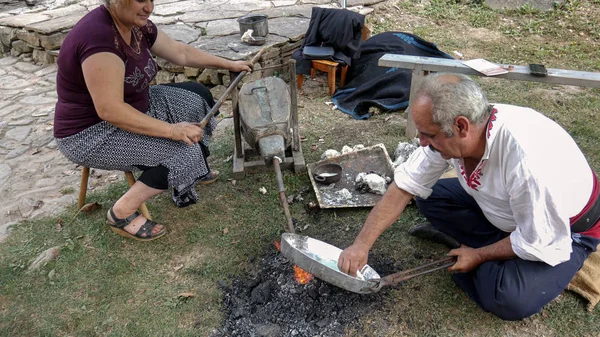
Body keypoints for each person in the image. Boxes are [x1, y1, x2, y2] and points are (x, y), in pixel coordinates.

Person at [338, 73, 600, 320]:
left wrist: (480, 255)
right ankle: (498, 247)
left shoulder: (526, 162)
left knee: (507, 298)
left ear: (461, 126)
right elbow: (405, 186)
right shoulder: (463, 123)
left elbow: (540, 240)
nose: (422, 142)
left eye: (428, 134)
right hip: (513, 209)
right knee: (428, 197)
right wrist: (361, 244)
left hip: (565, 229)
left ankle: (490, 255)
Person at [54, 0, 252, 241]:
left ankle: (193, 170)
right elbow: (110, 110)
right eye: (140, 0)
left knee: (197, 95)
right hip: (92, 132)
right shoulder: (99, 39)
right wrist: (171, 130)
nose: (149, 7)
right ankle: (122, 213)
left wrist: (229, 63)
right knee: (183, 150)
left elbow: (181, 52)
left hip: (139, 104)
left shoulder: (136, 25)